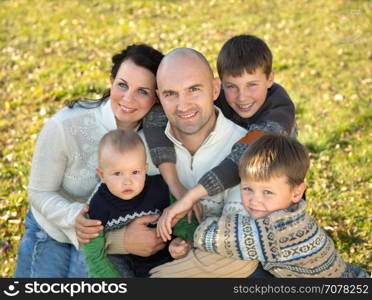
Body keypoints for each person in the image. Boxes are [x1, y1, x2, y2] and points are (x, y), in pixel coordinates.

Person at [92, 48, 263, 277]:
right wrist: (119, 240)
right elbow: (94, 213)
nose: (183, 106)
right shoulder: (139, 150)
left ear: (214, 88)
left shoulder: (243, 146)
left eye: (193, 90)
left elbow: (238, 240)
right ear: (158, 97)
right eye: (170, 94)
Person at [14, 44, 164, 277]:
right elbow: (39, 192)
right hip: (53, 232)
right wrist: (75, 217)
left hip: (112, 242)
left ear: (156, 98)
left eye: (143, 91)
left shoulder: (153, 142)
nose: (128, 98)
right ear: (112, 81)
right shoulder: (66, 125)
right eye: (122, 85)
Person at [144, 34, 297, 241]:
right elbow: (154, 116)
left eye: (194, 90)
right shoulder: (141, 144)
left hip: (278, 186)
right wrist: (175, 185)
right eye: (170, 94)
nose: (242, 97)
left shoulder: (277, 112)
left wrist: (190, 196)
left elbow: (246, 157)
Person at [186, 133, 369, 278]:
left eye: (267, 192)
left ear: (297, 193)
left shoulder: (277, 232)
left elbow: (208, 236)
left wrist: (206, 224)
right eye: (248, 188)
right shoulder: (290, 216)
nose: (254, 200)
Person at [83, 129, 192, 278]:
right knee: (112, 261)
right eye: (117, 173)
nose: (128, 181)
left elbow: (181, 220)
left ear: (145, 169)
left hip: (163, 257)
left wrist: (181, 241)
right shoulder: (98, 205)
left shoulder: (159, 188)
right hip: (122, 263)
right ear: (102, 175)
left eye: (135, 172)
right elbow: (94, 254)